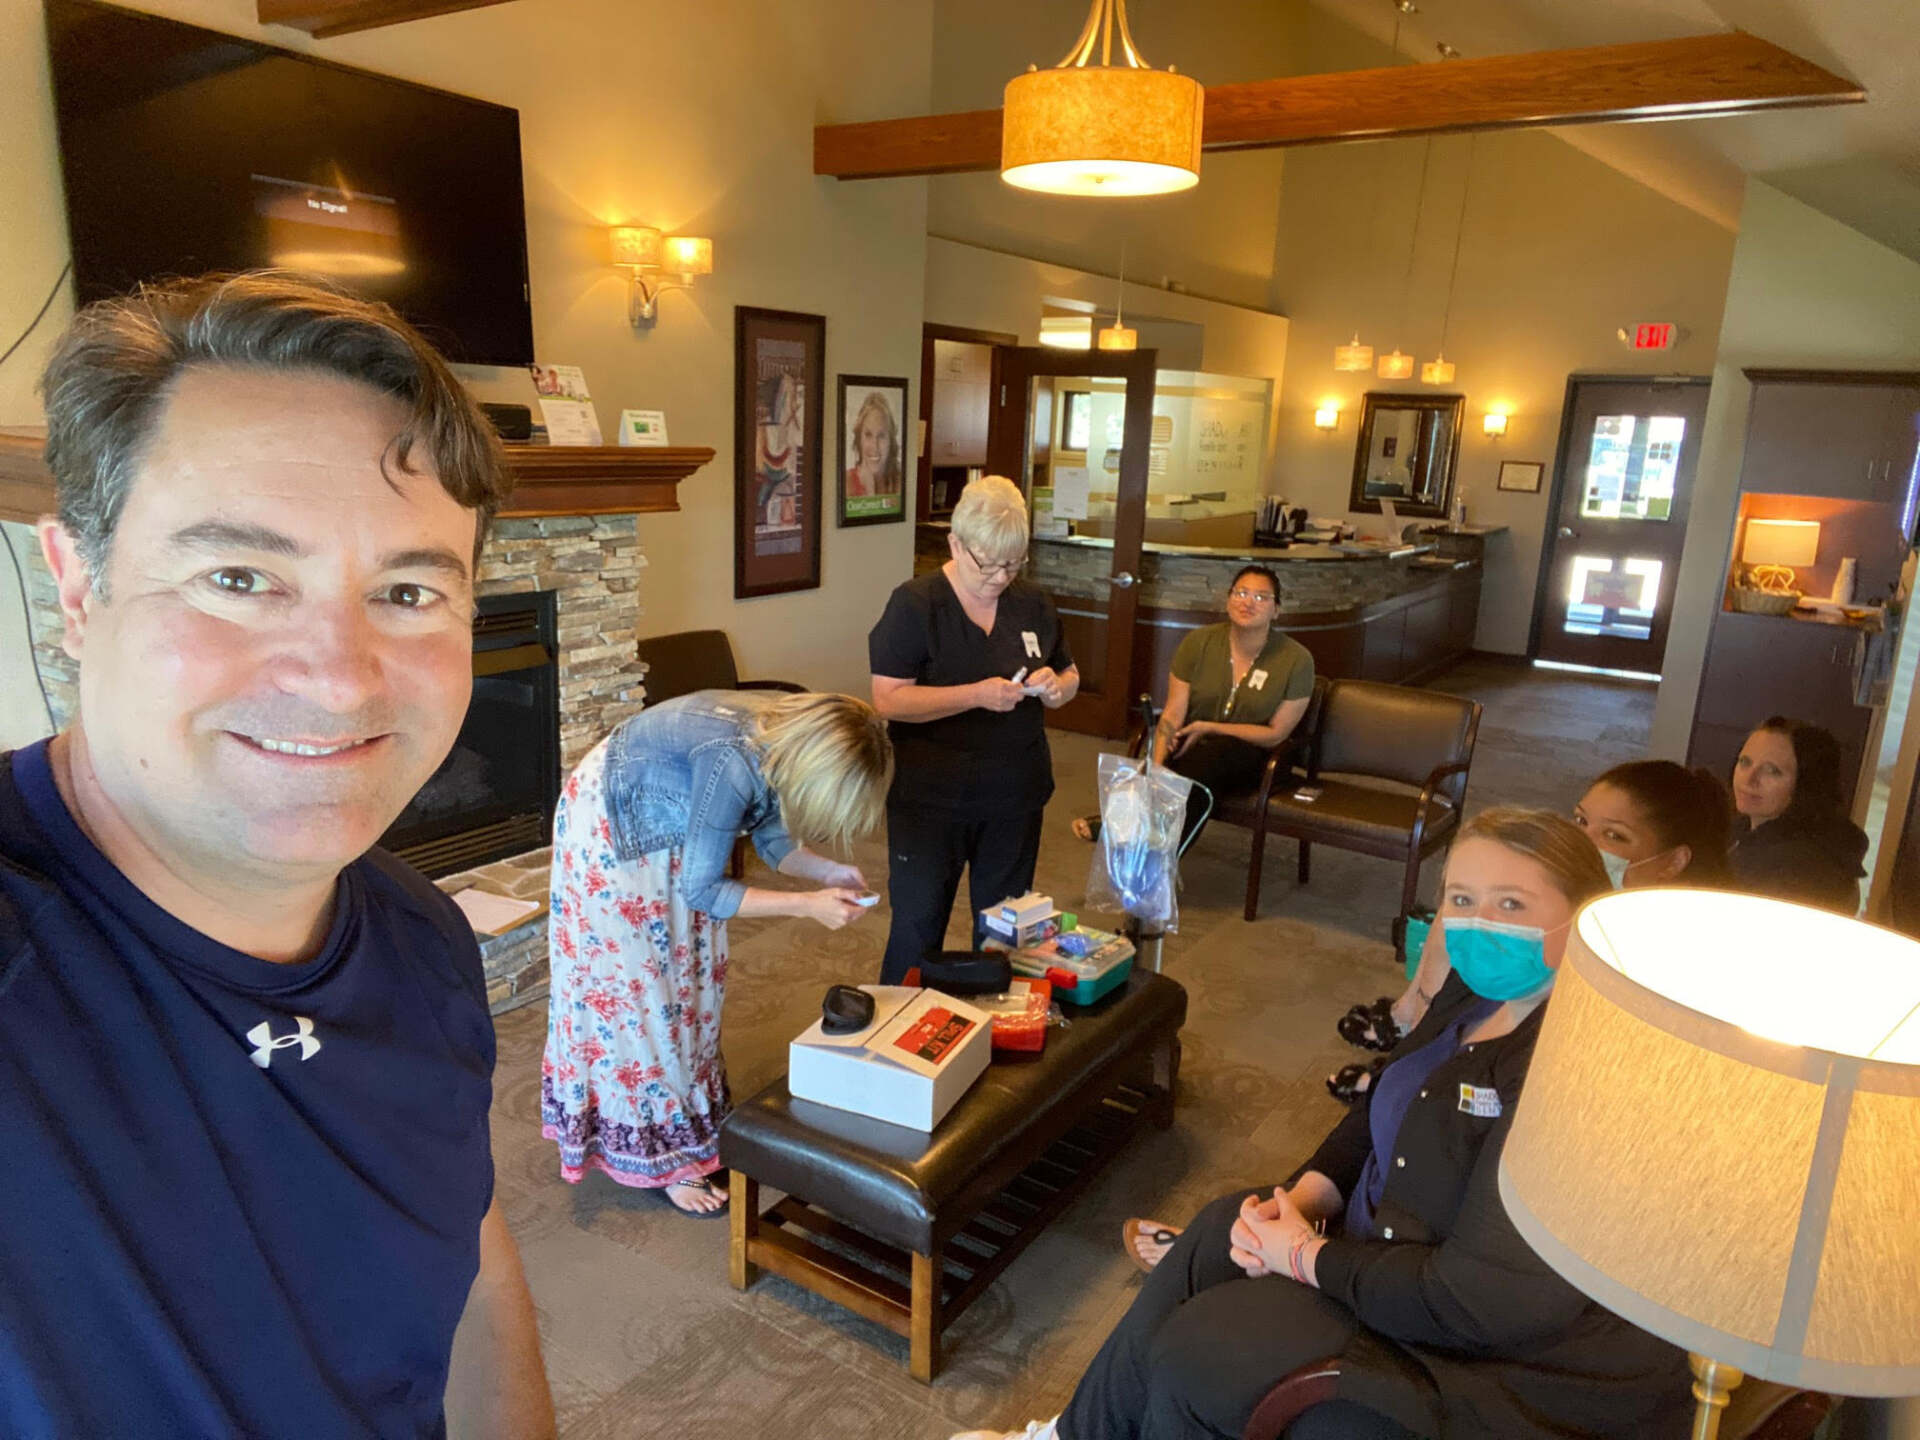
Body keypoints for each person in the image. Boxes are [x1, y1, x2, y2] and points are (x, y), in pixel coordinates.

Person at [1, 273, 553, 1437]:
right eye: (240, 579)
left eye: (407, 591)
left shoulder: (427, 938)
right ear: (76, 584)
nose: (341, 675)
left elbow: (472, 1256)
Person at [966, 810, 1691, 1440]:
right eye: (1462, 900)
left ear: (1582, 915)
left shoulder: (1569, 1073)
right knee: (1223, 1223)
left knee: (1199, 1350)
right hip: (1379, 1246)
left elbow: (1470, 1301)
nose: (1479, 925)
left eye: (1511, 903)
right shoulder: (1472, 992)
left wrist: (1304, 1257)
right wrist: (1308, 1196)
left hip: (1465, 1345)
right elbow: (1380, 1106)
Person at [541, 689, 891, 1213]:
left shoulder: (778, 740)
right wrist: (807, 906)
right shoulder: (733, 757)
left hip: (667, 823)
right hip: (610, 827)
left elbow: (771, 841)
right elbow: (705, 891)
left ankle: (689, 1121)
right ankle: (663, 1156)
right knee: (641, 994)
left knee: (692, 978)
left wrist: (826, 873)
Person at [1325, 759, 1736, 1102]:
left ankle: (1411, 1063)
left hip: (1531, 1084)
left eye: (1614, 835)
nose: (1581, 842)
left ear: (1673, 862)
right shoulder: (1570, 898)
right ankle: (1412, 1031)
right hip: (1481, 1038)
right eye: (1580, 821)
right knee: (1463, 912)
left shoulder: (1657, 957)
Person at [868, 475, 1079, 983]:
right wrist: (976, 695)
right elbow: (889, 700)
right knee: (918, 927)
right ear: (955, 544)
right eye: (988, 563)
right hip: (931, 800)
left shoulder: (1033, 603)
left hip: (1014, 794)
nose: (1000, 577)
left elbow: (1069, 672)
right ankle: (900, 1043)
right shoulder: (915, 605)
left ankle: (992, 1036)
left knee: (1003, 931)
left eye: (1013, 563)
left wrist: (1059, 686)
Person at [1074, 564, 1312, 852]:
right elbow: (1173, 712)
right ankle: (1152, 844)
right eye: (1241, 593)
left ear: (1276, 610)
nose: (1249, 602)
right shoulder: (1199, 643)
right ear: (1228, 600)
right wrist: (1156, 769)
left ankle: (1135, 833)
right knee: (1188, 764)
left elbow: (1276, 733)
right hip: (1195, 748)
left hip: (1260, 755)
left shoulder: (1297, 660)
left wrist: (1208, 727)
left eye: (1262, 597)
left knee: (1212, 758)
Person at [1728, 716, 1869, 914]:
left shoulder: (1801, 873)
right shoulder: (1741, 830)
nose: (1749, 779)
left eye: (1772, 771)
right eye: (1745, 762)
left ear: (1806, 784)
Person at [845, 389, 902, 498]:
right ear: (859, 439)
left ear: (891, 441)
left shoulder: (902, 481)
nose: (874, 446)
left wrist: (871, 492)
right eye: (868, 435)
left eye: (881, 436)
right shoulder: (846, 482)